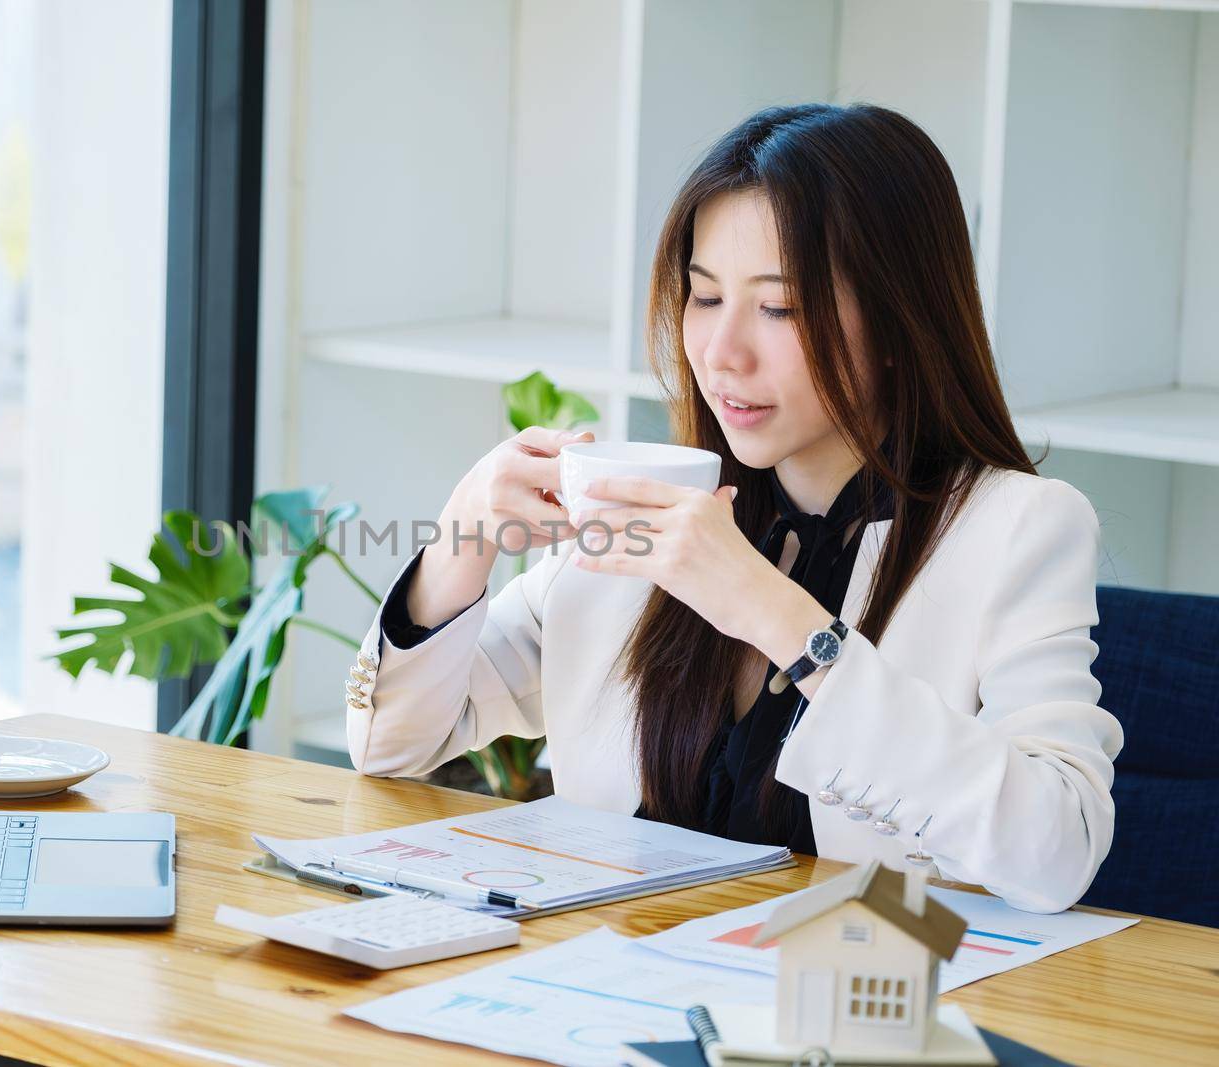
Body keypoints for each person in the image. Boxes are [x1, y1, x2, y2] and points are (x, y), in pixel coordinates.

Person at [342, 103, 1121, 915]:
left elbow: (1055, 853)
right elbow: (391, 744)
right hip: (606, 994)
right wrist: (463, 538)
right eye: (705, 297)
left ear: (898, 319)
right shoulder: (654, 495)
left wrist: (778, 615)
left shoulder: (1018, 530)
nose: (721, 352)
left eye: (779, 308)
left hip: (842, 1011)